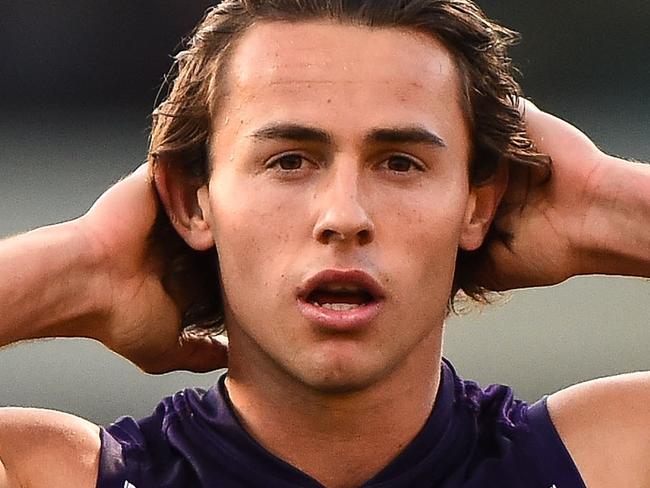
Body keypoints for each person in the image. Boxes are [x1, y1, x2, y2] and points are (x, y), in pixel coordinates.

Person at [0, 0, 648, 487]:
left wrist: (604, 203)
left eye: (399, 162)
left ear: (478, 202)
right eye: (289, 160)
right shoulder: (54, 475)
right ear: (190, 200)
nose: (345, 215)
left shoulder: (606, 462)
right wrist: (80, 267)